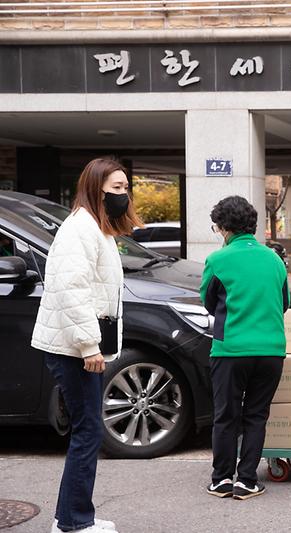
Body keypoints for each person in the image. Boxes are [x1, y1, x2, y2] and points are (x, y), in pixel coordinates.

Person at [32, 158, 142, 533]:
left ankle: (72, 518)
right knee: (88, 431)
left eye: (126, 187)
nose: (123, 194)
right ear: (96, 188)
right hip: (73, 348)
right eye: (116, 188)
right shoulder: (79, 228)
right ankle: (75, 522)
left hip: (77, 345)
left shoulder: (97, 228)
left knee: (87, 430)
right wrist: (89, 346)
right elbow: (70, 290)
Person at [200, 195, 290, 501]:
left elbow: (210, 302)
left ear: (224, 228)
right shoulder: (274, 259)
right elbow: (285, 303)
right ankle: (248, 480)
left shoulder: (218, 260)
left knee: (226, 415)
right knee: (256, 415)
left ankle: (222, 479)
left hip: (231, 349)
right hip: (271, 350)